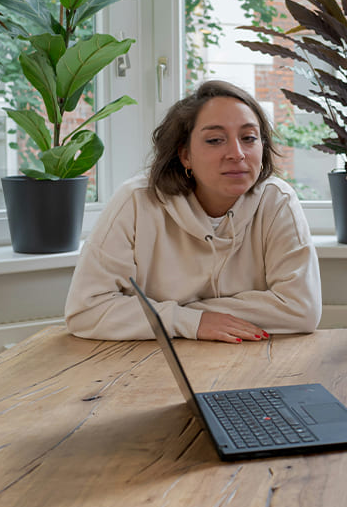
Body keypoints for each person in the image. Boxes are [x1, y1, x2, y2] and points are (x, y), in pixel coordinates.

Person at [65, 80, 322, 343]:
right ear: (185, 155)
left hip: (251, 357)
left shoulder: (277, 200)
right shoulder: (136, 201)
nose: (237, 153)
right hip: (147, 363)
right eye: (215, 140)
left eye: (249, 138)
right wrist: (188, 321)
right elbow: (86, 310)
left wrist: (172, 314)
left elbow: (302, 310)